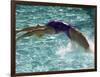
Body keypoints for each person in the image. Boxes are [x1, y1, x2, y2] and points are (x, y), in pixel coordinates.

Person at [16, 20, 89, 49]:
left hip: (67, 29)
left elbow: (33, 30)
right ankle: (18, 31)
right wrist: (18, 38)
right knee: (85, 46)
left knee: (84, 45)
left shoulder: (47, 30)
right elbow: (33, 30)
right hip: (68, 29)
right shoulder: (48, 29)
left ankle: (18, 30)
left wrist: (19, 37)